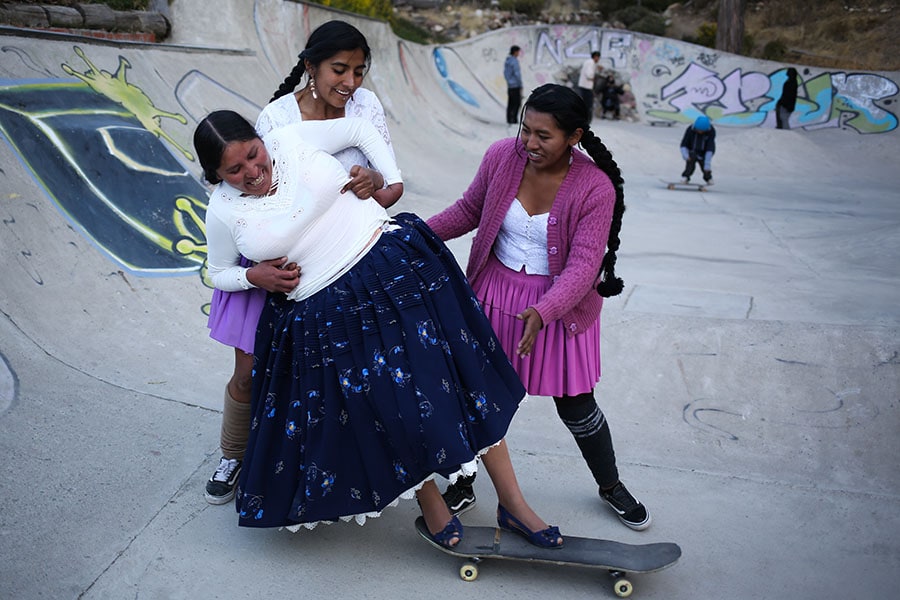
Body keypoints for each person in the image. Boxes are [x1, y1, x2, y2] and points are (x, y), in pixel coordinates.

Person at [194, 110, 563, 548]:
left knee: (456, 383)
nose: (253, 172)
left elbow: (358, 130)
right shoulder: (221, 211)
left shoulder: (289, 139)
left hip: (390, 268)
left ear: (260, 140)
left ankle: (513, 504)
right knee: (388, 407)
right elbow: (215, 271)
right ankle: (432, 506)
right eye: (234, 171)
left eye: (254, 156)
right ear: (215, 175)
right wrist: (253, 278)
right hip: (327, 310)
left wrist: (386, 179)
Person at [428, 83, 651, 531]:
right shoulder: (501, 156)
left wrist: (543, 312)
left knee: (576, 404)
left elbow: (585, 267)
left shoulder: (595, 188)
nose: (529, 143)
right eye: (525, 130)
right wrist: (413, 233)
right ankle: (465, 477)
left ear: (575, 136)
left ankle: (610, 485)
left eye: (543, 136)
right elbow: (468, 210)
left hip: (560, 310)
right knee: (475, 395)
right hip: (493, 292)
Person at [202, 20, 402, 506]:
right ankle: (236, 454)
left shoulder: (366, 106)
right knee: (254, 371)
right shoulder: (276, 122)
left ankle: (372, 462)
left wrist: (378, 178)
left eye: (359, 70)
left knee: (365, 365)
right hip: (279, 268)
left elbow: (392, 189)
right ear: (311, 66)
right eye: (340, 69)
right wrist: (259, 275)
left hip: (351, 256)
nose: (350, 82)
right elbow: (253, 204)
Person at [680, 115, 716, 185]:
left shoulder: (711, 131)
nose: (700, 132)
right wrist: (685, 155)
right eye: (698, 130)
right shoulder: (690, 129)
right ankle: (686, 177)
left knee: (705, 167)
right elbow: (684, 143)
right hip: (692, 151)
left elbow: (710, 146)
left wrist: (707, 163)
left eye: (702, 131)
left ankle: (708, 178)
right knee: (690, 165)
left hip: (705, 152)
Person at [576, 51, 602, 115]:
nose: (598, 59)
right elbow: (589, 74)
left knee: (584, 102)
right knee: (588, 104)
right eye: (598, 58)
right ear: (596, 57)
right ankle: (586, 117)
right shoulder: (591, 63)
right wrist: (594, 78)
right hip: (587, 86)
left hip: (583, 85)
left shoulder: (588, 62)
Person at [504, 45, 523, 128]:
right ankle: (514, 120)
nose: (519, 53)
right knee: (516, 103)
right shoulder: (514, 61)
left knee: (511, 103)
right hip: (515, 85)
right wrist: (520, 84)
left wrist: (509, 81)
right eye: (518, 51)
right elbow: (517, 74)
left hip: (510, 85)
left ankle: (509, 119)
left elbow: (505, 73)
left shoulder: (507, 61)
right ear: (515, 52)